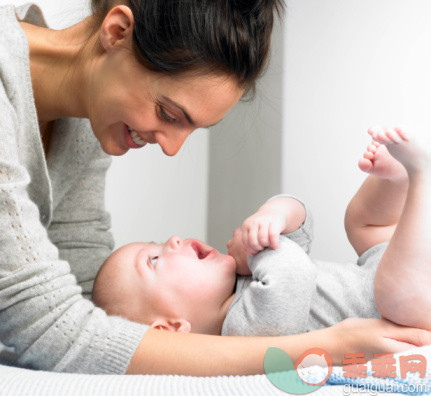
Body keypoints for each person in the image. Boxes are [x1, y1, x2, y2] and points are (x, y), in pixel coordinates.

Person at [0, 0, 429, 377]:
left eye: (192, 127)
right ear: (117, 32)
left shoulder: (86, 121)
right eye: (169, 112)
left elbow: (90, 294)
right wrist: (324, 348)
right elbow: (50, 328)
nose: (170, 147)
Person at [92, 126, 431, 340]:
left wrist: (273, 216)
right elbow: (294, 272)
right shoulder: (244, 330)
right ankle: (420, 178)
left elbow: (302, 224)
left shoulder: (246, 278)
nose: (173, 241)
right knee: (396, 295)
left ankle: (397, 180)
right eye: (153, 260)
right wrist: (256, 251)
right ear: (171, 327)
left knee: (359, 223)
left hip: (383, 270)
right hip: (408, 308)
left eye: (159, 242)